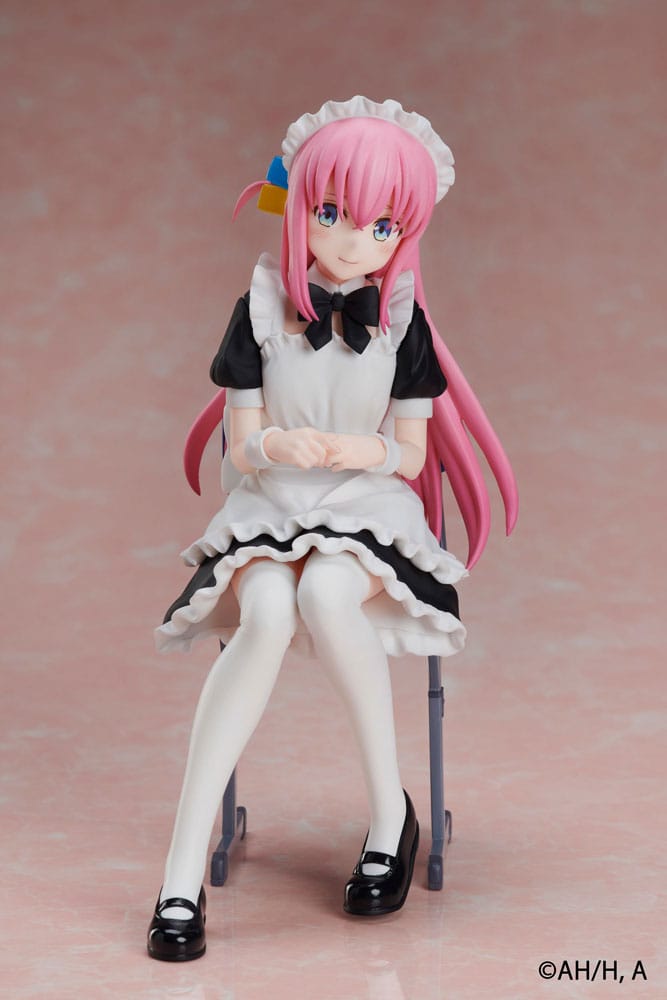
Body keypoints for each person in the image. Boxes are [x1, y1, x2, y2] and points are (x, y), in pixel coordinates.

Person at [147, 96, 518, 961]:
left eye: (381, 226)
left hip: (363, 504)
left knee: (324, 591)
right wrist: (272, 444)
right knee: (268, 609)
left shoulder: (400, 320)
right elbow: (241, 441)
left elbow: (409, 452)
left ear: (405, 234)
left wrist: (363, 449)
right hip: (269, 500)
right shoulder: (260, 307)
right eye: (331, 214)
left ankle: (390, 813)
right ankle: (178, 873)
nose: (352, 242)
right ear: (299, 209)